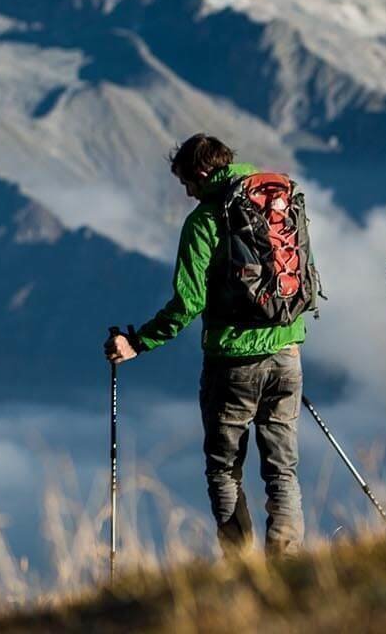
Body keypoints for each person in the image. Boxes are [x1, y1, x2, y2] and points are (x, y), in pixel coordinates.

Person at [107, 133, 313, 555]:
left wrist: (138, 342)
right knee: (282, 468)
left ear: (201, 173)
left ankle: (238, 564)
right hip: (287, 352)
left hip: (232, 363)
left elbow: (188, 303)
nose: (187, 193)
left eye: (187, 184)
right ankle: (288, 560)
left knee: (224, 469)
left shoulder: (205, 220)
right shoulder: (278, 204)